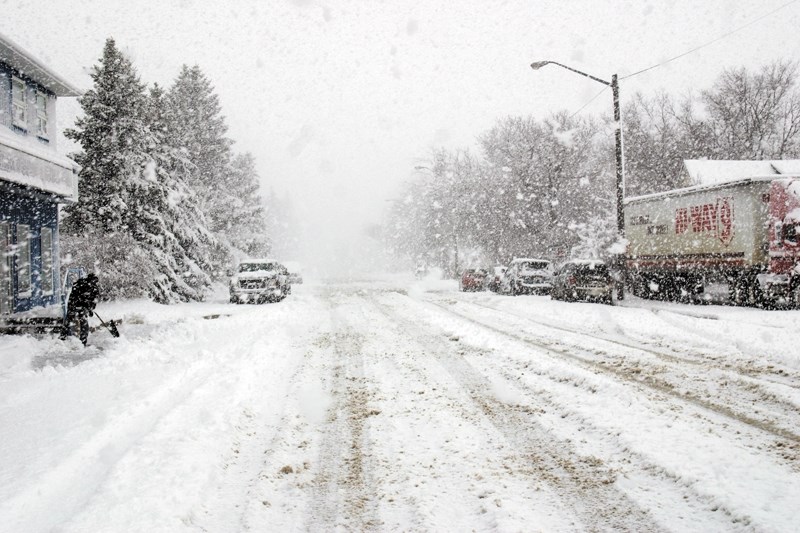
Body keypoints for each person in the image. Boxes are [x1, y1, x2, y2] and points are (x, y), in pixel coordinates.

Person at [60, 273, 100, 346]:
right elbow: (74, 296)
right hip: (76, 304)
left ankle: (63, 337)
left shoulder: (83, 284)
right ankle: (82, 340)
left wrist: (90, 308)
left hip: (77, 305)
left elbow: (94, 300)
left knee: (71, 320)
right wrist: (87, 307)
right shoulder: (82, 284)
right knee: (82, 321)